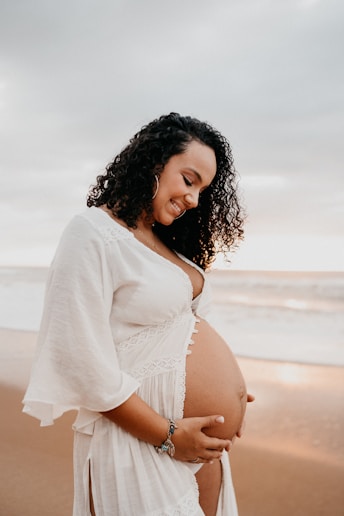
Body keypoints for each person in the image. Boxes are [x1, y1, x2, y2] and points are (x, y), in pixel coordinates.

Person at [23, 112, 254, 515]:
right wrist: (168, 435)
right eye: (188, 180)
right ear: (153, 162)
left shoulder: (169, 246)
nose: (195, 199)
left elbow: (181, 334)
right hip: (141, 440)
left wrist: (230, 394)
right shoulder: (92, 231)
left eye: (203, 189)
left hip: (195, 446)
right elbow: (80, 360)